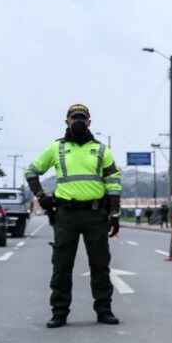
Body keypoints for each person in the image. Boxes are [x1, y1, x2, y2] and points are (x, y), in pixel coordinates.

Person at [24, 104, 121, 328]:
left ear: (89, 122)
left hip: (95, 214)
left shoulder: (101, 150)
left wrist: (114, 214)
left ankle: (104, 310)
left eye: (82, 118)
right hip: (66, 215)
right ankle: (59, 312)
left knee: (100, 264)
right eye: (74, 117)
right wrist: (41, 196)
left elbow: (113, 182)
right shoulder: (56, 148)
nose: (78, 121)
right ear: (66, 121)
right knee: (61, 265)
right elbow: (31, 172)